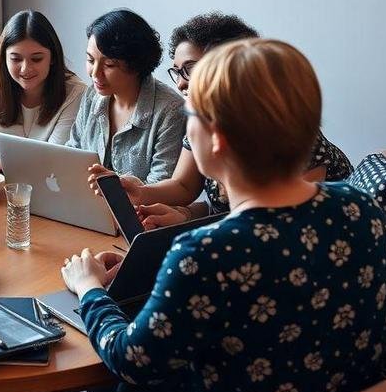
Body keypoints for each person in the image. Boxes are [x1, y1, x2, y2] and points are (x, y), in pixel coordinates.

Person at [47, 39, 386, 392]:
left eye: (190, 115)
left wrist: (89, 287)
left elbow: (131, 360)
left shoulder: (208, 254)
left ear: (218, 139)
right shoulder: (363, 209)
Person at [111, 12, 352, 230]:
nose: (181, 83)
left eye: (190, 69)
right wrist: (143, 194)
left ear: (230, 67)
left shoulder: (288, 132)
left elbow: (285, 222)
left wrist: (193, 225)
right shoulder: (204, 124)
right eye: (177, 71)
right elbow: (184, 185)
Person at [67, 9, 185, 184]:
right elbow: (71, 154)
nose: (95, 74)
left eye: (109, 64)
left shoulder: (170, 110)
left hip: (141, 210)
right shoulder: (92, 95)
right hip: (83, 203)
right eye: (91, 60)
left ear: (136, 65)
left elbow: (160, 184)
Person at [0, 10, 87, 171]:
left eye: (37, 59)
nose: (25, 69)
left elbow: (56, 155)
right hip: (3, 183)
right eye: (16, 59)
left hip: (49, 184)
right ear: (4, 58)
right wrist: (2, 163)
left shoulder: (75, 92)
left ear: (52, 58)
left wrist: (13, 166)